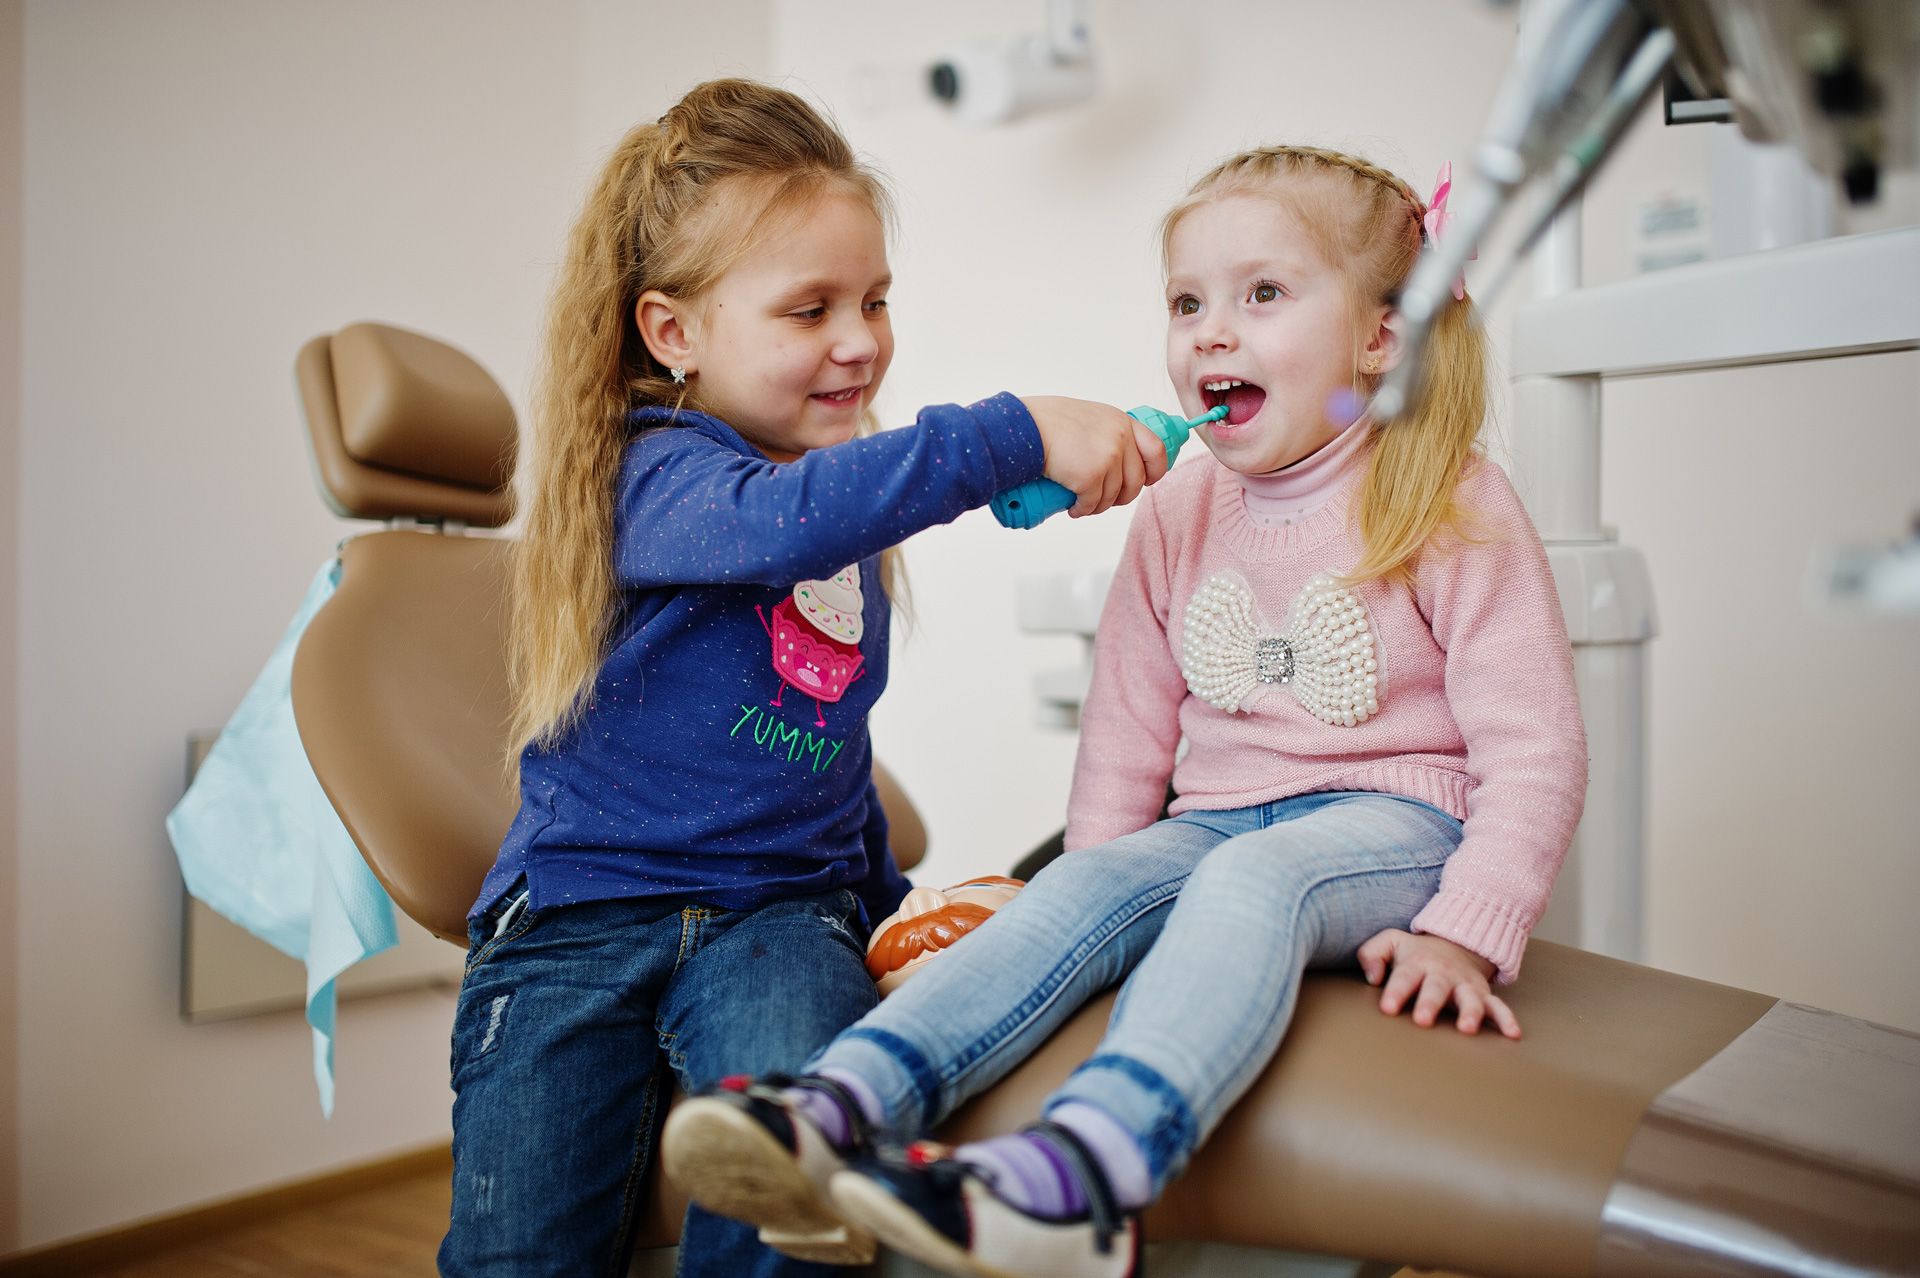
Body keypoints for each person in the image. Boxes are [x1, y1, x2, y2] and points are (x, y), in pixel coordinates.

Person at [661, 144, 1590, 1278]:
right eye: (1187, 301)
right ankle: (834, 1107)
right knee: (1082, 879)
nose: (1210, 331)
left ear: (1378, 338)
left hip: (1394, 824)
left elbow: (1534, 751)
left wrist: (1465, 934)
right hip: (1212, 820)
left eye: (1262, 295)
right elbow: (1127, 731)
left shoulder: (1449, 501)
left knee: (1252, 878)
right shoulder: (1183, 507)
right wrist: (1101, 900)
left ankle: (1091, 1178)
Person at [439, 77, 1162, 1278]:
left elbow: (820, 756)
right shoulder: (652, 476)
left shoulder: (832, 512)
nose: (861, 339)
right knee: (521, 1254)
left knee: (793, 1190)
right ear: (673, 334)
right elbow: (776, 526)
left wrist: (894, 908)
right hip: (578, 920)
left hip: (779, 921)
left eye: (875, 299)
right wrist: (1014, 430)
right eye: (809, 308)